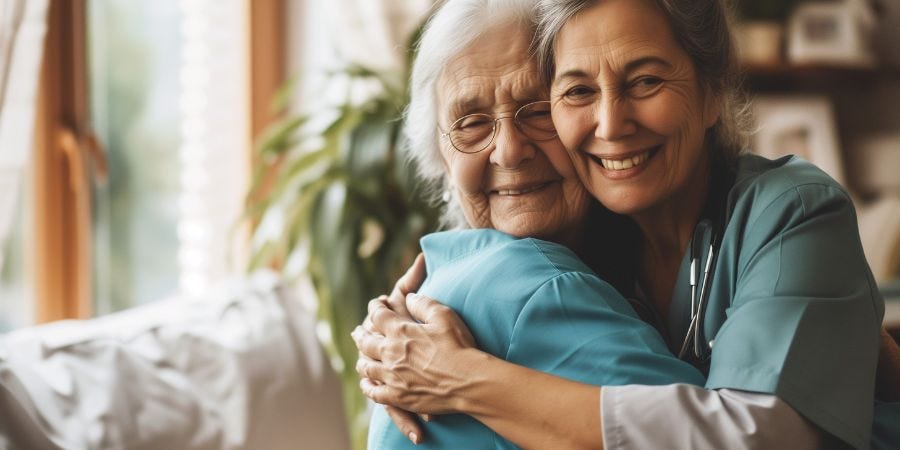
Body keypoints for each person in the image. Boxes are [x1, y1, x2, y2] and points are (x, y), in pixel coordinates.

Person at [354, 0, 897, 448]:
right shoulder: (552, 259)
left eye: (645, 81)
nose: (611, 124)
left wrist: (460, 379)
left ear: (713, 93)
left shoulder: (786, 208)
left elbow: (761, 436)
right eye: (578, 91)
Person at [362, 3, 705, 448]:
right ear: (440, 162)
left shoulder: (447, 276)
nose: (508, 150)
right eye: (471, 123)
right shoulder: (539, 284)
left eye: (536, 110)